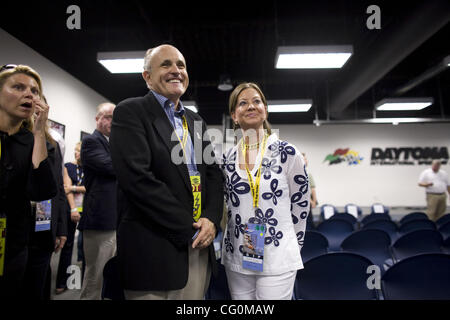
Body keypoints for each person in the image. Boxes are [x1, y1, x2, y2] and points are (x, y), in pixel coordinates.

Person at [109, 44, 223, 300]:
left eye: (181, 65)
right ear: (147, 76)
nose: (176, 71)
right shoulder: (130, 112)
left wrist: (211, 220)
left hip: (198, 247)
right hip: (152, 251)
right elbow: (138, 180)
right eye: (166, 64)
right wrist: (190, 227)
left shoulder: (195, 121)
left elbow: (214, 175)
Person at [221, 82, 310, 300]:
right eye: (243, 103)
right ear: (234, 115)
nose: (251, 106)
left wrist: (293, 245)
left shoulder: (287, 153)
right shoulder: (227, 158)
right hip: (238, 252)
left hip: (278, 253)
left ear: (265, 110)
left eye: (256, 101)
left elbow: (301, 204)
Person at [0, 64, 57, 298]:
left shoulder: (36, 142)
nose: (29, 95)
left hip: (14, 243)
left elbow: (42, 191)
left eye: (34, 91)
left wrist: (39, 132)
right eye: (18, 87)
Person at [22, 111, 68, 300]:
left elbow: (58, 188)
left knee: (38, 282)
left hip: (43, 222)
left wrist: (61, 228)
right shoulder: (13, 139)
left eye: (35, 94)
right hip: (16, 225)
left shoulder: (53, 144)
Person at [78, 102, 117, 300]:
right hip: (99, 221)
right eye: (108, 116)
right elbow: (112, 167)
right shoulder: (91, 141)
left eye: (114, 117)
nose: (112, 121)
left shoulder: (110, 143)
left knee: (107, 276)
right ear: (97, 119)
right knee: (95, 277)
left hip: (112, 220)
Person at [55, 142, 86, 294]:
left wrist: (75, 187)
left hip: (87, 210)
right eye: (75, 150)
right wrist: (73, 209)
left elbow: (90, 187)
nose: (76, 153)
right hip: (71, 209)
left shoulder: (90, 168)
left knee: (86, 244)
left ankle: (84, 279)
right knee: (67, 246)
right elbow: (66, 189)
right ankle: (62, 281)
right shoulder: (68, 166)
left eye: (79, 151)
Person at [302, 152, 317, 230]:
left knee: (309, 222)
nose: (306, 161)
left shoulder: (308, 174)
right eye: (304, 159)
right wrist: (311, 201)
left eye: (306, 159)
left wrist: (313, 201)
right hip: (303, 201)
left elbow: (312, 189)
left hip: (308, 201)